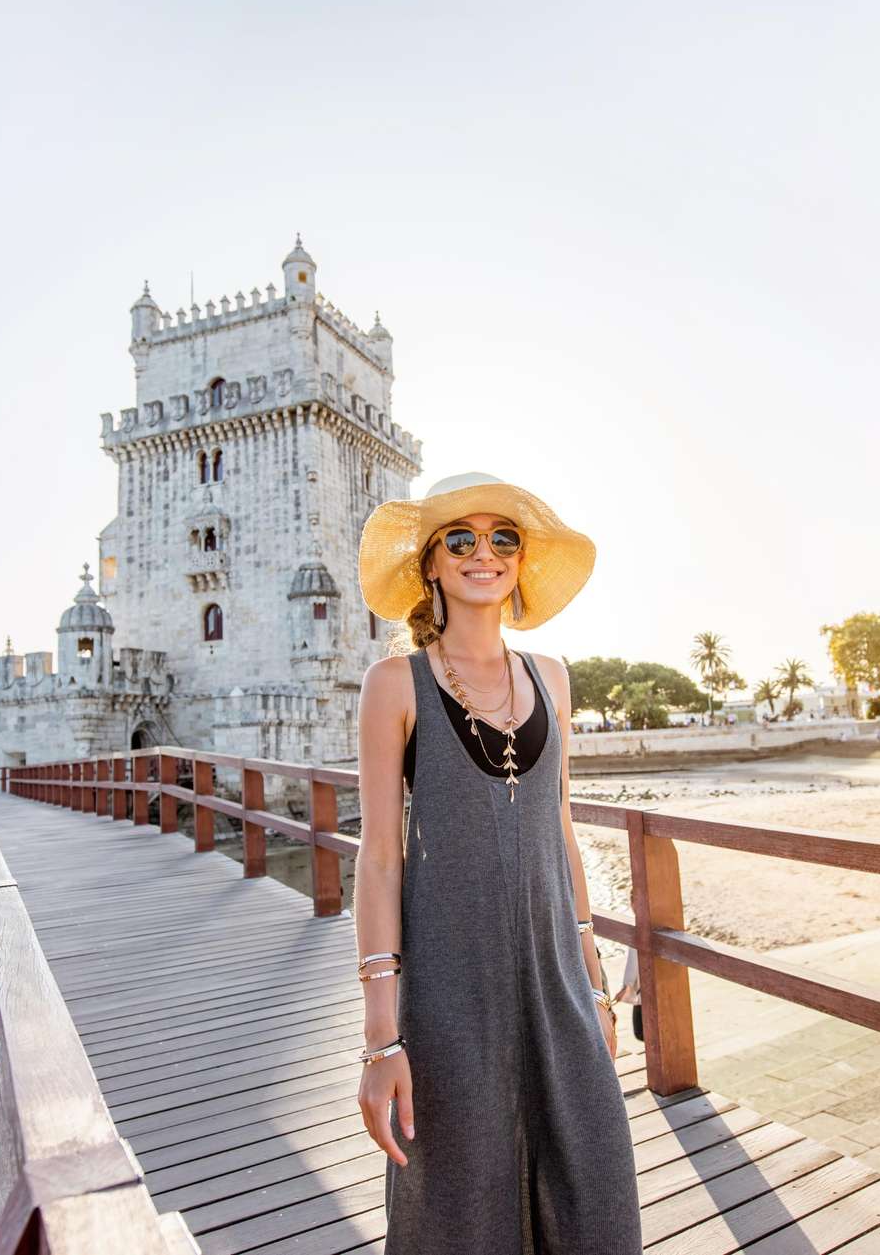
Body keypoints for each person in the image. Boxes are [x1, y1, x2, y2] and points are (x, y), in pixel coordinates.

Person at [351, 471, 640, 1254]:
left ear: (519, 561)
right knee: (457, 1218)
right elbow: (379, 860)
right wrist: (382, 1039)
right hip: (449, 999)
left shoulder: (552, 677)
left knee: (598, 1204)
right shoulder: (395, 685)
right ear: (431, 563)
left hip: (560, 986)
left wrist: (594, 979)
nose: (485, 552)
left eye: (503, 538)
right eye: (462, 539)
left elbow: (561, 830)